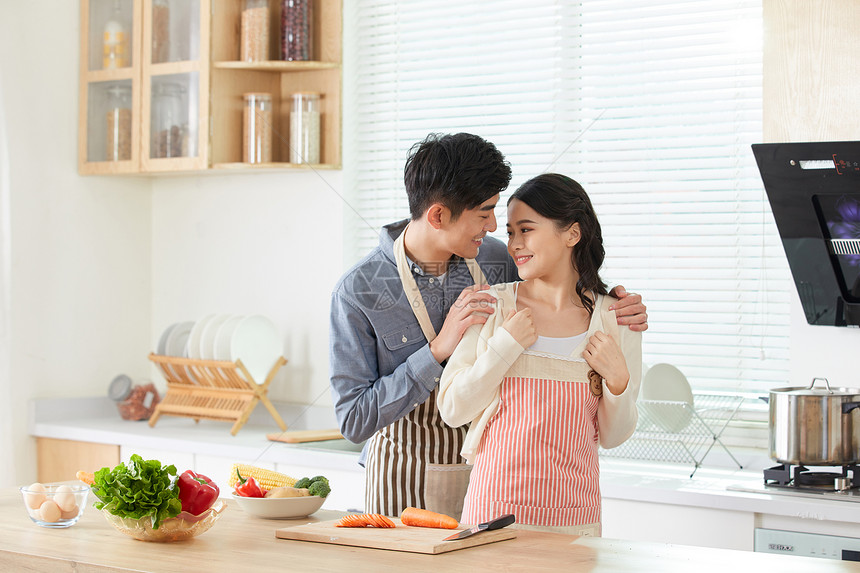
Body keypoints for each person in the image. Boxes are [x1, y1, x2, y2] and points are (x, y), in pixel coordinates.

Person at [329, 134, 647, 517]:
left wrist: (616, 307)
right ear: (438, 216)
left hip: (487, 471)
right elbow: (353, 418)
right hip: (402, 473)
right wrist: (437, 351)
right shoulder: (359, 291)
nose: (496, 227)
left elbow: (560, 281)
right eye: (484, 213)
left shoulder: (497, 259)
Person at [437, 173, 642, 536]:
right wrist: (504, 347)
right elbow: (452, 409)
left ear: (572, 234)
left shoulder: (616, 319)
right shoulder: (494, 306)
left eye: (526, 229)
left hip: (575, 519)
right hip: (493, 512)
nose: (514, 243)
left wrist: (618, 381)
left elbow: (613, 436)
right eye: (511, 232)